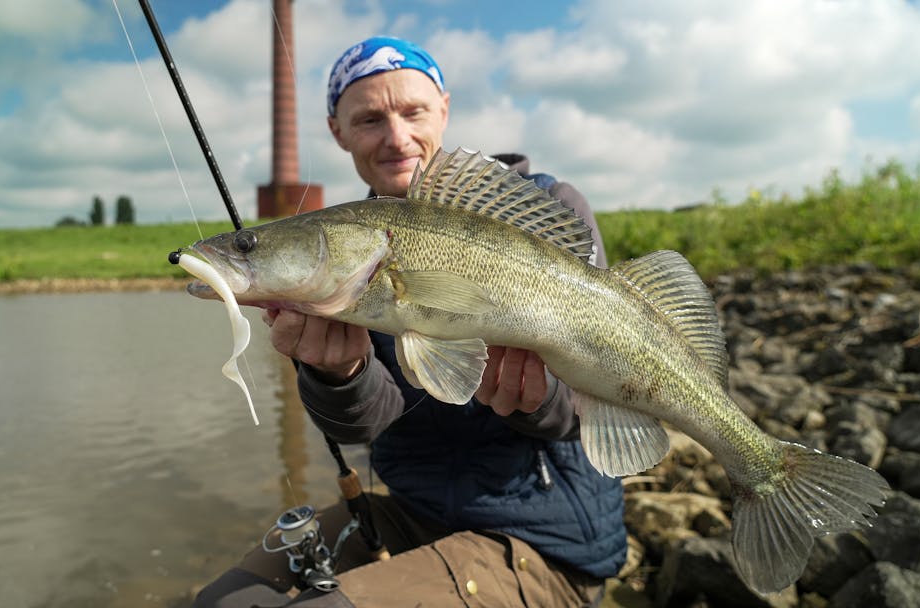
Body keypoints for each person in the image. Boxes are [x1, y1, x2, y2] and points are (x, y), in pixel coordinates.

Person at [194, 36, 624, 608]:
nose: (396, 137)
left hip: (540, 539)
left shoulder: (548, 210)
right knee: (223, 603)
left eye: (413, 111)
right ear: (337, 131)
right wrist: (338, 373)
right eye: (369, 118)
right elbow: (370, 424)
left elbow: (589, 411)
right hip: (410, 515)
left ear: (443, 107)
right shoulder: (350, 261)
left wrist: (536, 400)